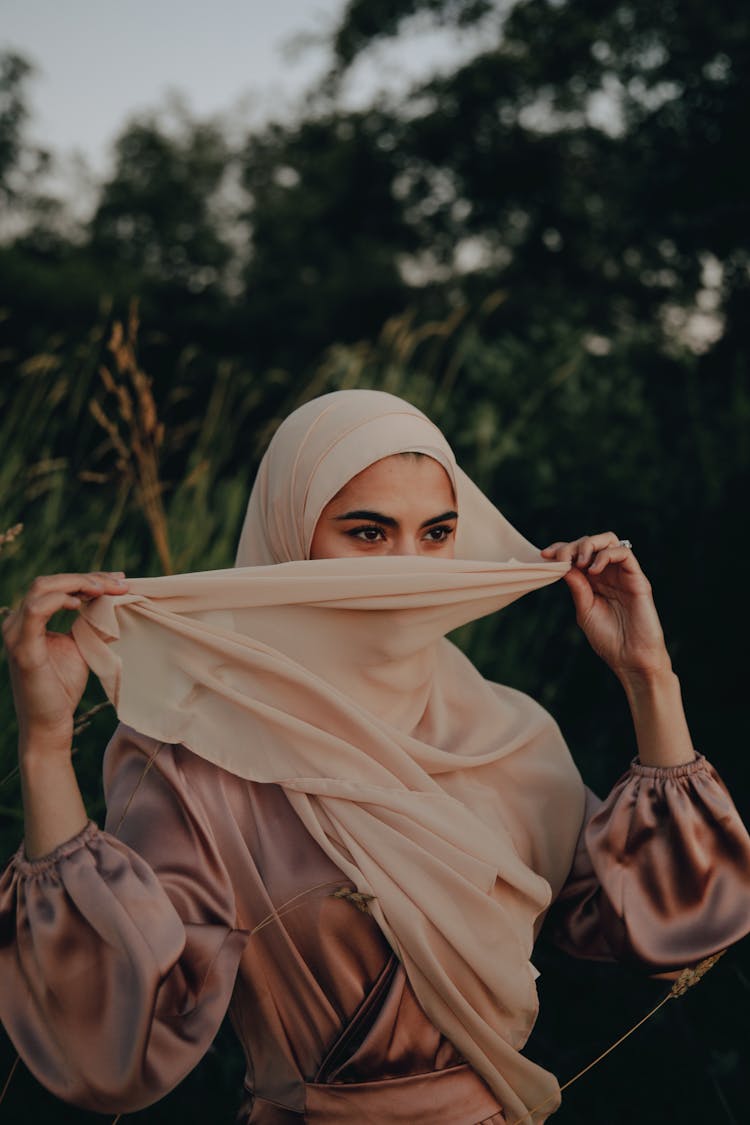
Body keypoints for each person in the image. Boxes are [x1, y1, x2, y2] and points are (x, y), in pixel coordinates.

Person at [2, 389, 750, 1125]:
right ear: (291, 539)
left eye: (436, 533)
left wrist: (649, 675)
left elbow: (666, 926)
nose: (408, 568)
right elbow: (111, 1039)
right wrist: (43, 742)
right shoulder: (197, 755)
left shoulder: (511, 731)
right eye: (368, 533)